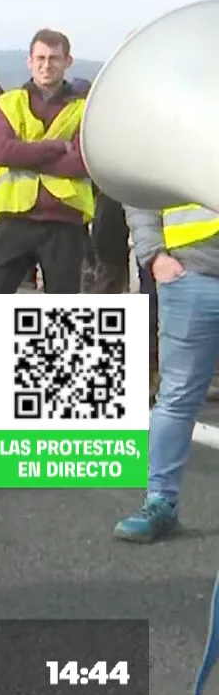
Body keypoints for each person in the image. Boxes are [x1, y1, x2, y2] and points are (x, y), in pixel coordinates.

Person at [0, 29, 92, 433]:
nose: (47, 65)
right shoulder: (8, 103)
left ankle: (56, 408)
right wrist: (54, 148)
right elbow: (1, 152)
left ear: (68, 61)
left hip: (63, 222)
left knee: (62, 318)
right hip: (13, 221)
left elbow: (82, 163)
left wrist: (29, 155)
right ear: (29, 62)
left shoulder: (85, 109)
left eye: (54, 58)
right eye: (40, 58)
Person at [116, 202, 219, 541]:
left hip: (188, 273)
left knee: (176, 397)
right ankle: (160, 501)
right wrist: (155, 255)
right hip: (192, 272)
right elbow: (138, 183)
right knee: (177, 397)